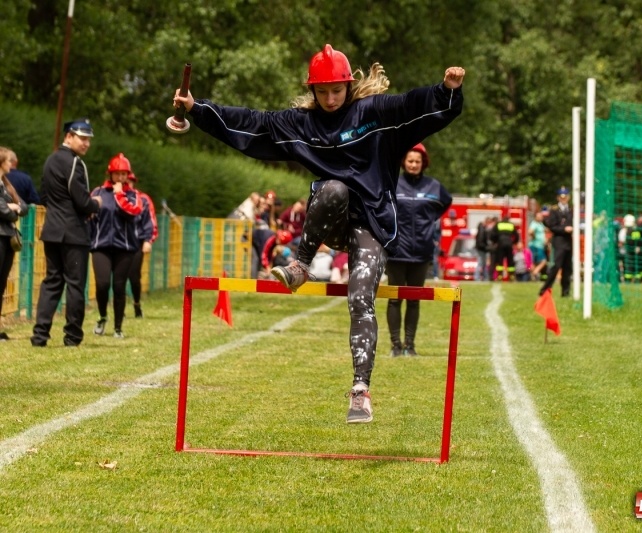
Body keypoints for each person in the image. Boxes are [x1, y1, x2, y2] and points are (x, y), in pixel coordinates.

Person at [174, 43, 464, 423]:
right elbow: (251, 123)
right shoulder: (301, 124)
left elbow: (414, 105)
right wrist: (199, 109)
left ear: (348, 85)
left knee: (362, 300)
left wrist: (447, 91)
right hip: (333, 216)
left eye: (337, 90)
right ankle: (301, 264)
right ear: (313, 90)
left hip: (371, 224)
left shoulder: (374, 113)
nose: (330, 99)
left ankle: (360, 391)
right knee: (333, 188)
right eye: (322, 91)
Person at [31, 119, 102, 347]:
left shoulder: (50, 160)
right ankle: (72, 336)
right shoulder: (74, 163)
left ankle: (39, 335)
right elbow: (82, 201)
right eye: (83, 138)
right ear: (69, 136)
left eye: (89, 139)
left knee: (51, 282)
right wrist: (96, 204)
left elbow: (43, 197)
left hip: (51, 231)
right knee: (75, 285)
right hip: (73, 234)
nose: (87, 143)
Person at [385, 143, 452, 357]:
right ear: (404, 162)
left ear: (424, 163)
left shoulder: (434, 186)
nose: (414, 165)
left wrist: (429, 223)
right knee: (395, 298)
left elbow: (446, 203)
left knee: (414, 300)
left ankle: (410, 345)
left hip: (422, 253)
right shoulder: (392, 182)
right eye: (410, 161)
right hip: (396, 252)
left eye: (417, 161)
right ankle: (396, 345)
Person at [89, 153, 151, 339]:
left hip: (125, 248)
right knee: (102, 284)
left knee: (119, 287)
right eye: (118, 173)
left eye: (125, 174)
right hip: (101, 246)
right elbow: (90, 215)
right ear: (110, 174)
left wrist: (119, 194)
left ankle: (118, 327)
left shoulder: (134, 195)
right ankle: (102, 317)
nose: (121, 177)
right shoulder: (98, 192)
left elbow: (133, 212)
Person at [0, 147, 29, 340]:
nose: (12, 164)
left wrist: (14, 208)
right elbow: (4, 211)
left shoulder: (6, 184)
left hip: (7, 237)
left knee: (1, 283)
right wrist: (11, 209)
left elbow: (24, 207)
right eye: (9, 161)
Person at [127, 171, 158, 317]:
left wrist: (148, 240)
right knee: (117, 278)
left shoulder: (143, 199)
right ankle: (118, 308)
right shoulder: (112, 197)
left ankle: (136, 304)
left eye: (130, 181)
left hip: (135, 243)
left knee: (134, 275)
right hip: (115, 243)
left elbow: (150, 221)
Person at [539, 186, 573, 297]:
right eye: (561, 197)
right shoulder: (554, 210)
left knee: (567, 269)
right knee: (556, 266)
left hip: (568, 241)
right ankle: (545, 289)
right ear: (558, 198)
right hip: (559, 241)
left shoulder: (571, 210)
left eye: (565, 196)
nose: (564, 199)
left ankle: (565, 292)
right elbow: (551, 226)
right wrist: (564, 229)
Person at [490, 216, 519, 281]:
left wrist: (495, 241)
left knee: (500, 261)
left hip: (500, 244)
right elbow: (516, 235)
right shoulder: (511, 225)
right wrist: (514, 242)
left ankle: (500, 276)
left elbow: (492, 234)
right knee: (510, 261)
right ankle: (511, 276)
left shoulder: (499, 224)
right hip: (509, 244)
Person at [528, 209, 548, 280]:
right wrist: (535, 237)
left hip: (539, 245)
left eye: (541, 216)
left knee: (534, 262)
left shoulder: (540, 224)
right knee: (543, 261)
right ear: (535, 217)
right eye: (539, 216)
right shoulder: (534, 224)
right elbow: (530, 232)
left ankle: (533, 276)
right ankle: (535, 273)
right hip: (536, 245)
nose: (541, 217)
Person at [474, 216, 490, 281]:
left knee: (482, 264)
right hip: (481, 249)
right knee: (480, 263)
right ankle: (477, 277)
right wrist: (486, 247)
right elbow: (481, 240)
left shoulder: (482, 228)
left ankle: (484, 277)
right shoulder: (482, 228)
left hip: (481, 249)